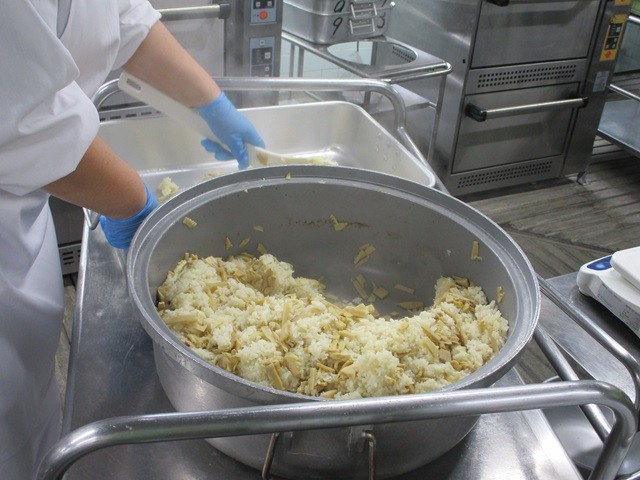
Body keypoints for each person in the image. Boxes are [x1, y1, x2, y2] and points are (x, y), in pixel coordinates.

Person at [0, 2, 264, 478]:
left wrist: (212, 104)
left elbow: (118, 16)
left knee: (30, 417)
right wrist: (133, 204)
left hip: (20, 207)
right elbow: (22, 125)